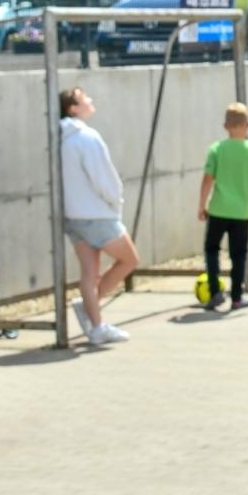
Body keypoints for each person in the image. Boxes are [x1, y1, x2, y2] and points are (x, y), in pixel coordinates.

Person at [58, 87, 140, 345]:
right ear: (73, 108)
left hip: (73, 216)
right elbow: (104, 179)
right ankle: (89, 311)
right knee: (129, 260)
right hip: (97, 214)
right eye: (84, 99)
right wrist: (115, 201)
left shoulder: (60, 138)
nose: (90, 101)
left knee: (89, 273)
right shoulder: (86, 137)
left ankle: (96, 324)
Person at [198, 102, 248, 312]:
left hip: (218, 209)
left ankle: (215, 292)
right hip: (241, 212)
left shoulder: (216, 149)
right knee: (238, 254)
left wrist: (201, 205)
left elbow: (207, 180)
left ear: (225, 126)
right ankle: (237, 297)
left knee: (212, 249)